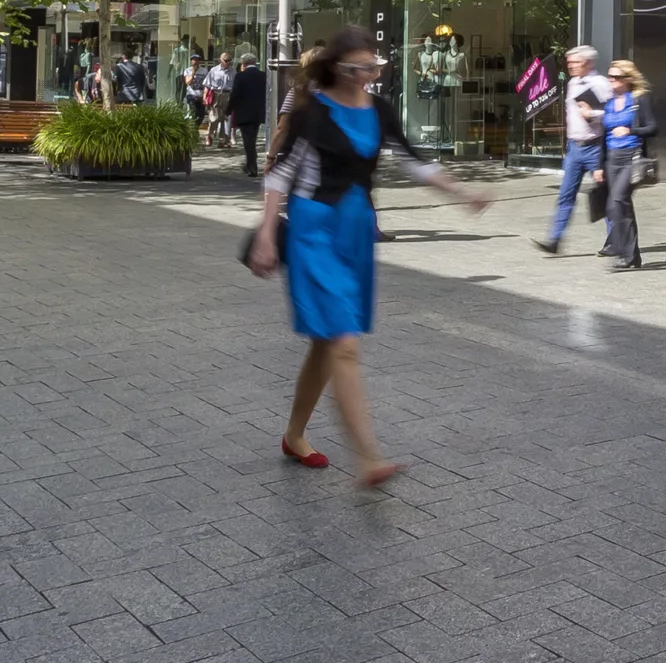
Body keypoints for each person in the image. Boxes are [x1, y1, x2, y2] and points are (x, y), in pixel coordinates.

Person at [247, 25, 487, 485]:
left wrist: (461, 191)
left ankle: (294, 435)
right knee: (343, 341)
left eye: (372, 68)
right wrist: (264, 233)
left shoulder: (379, 108)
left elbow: (412, 160)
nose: (366, 76)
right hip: (313, 228)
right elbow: (280, 174)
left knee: (327, 340)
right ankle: (369, 456)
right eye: (357, 68)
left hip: (355, 228)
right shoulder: (310, 111)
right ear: (336, 67)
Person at [536, 46, 609, 254]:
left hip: (595, 146)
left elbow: (612, 113)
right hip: (574, 148)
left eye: (575, 63)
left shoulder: (601, 84)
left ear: (588, 63)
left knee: (605, 196)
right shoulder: (572, 83)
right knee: (566, 195)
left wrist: (593, 114)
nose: (570, 66)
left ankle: (616, 241)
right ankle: (554, 240)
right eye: (569, 63)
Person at [599, 59, 656, 272]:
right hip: (612, 158)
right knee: (623, 206)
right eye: (610, 76)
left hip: (631, 157)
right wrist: (598, 166)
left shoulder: (639, 100)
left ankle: (624, 252)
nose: (611, 80)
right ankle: (632, 257)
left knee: (617, 202)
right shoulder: (610, 102)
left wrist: (630, 130)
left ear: (628, 80)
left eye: (616, 77)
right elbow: (603, 135)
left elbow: (652, 127)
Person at [228, 53, 268, 176]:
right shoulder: (263, 75)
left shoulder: (240, 76)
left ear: (243, 64)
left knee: (248, 142)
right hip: (258, 113)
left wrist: (228, 109)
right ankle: (249, 164)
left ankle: (252, 167)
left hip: (244, 113)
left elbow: (235, 94)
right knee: (252, 139)